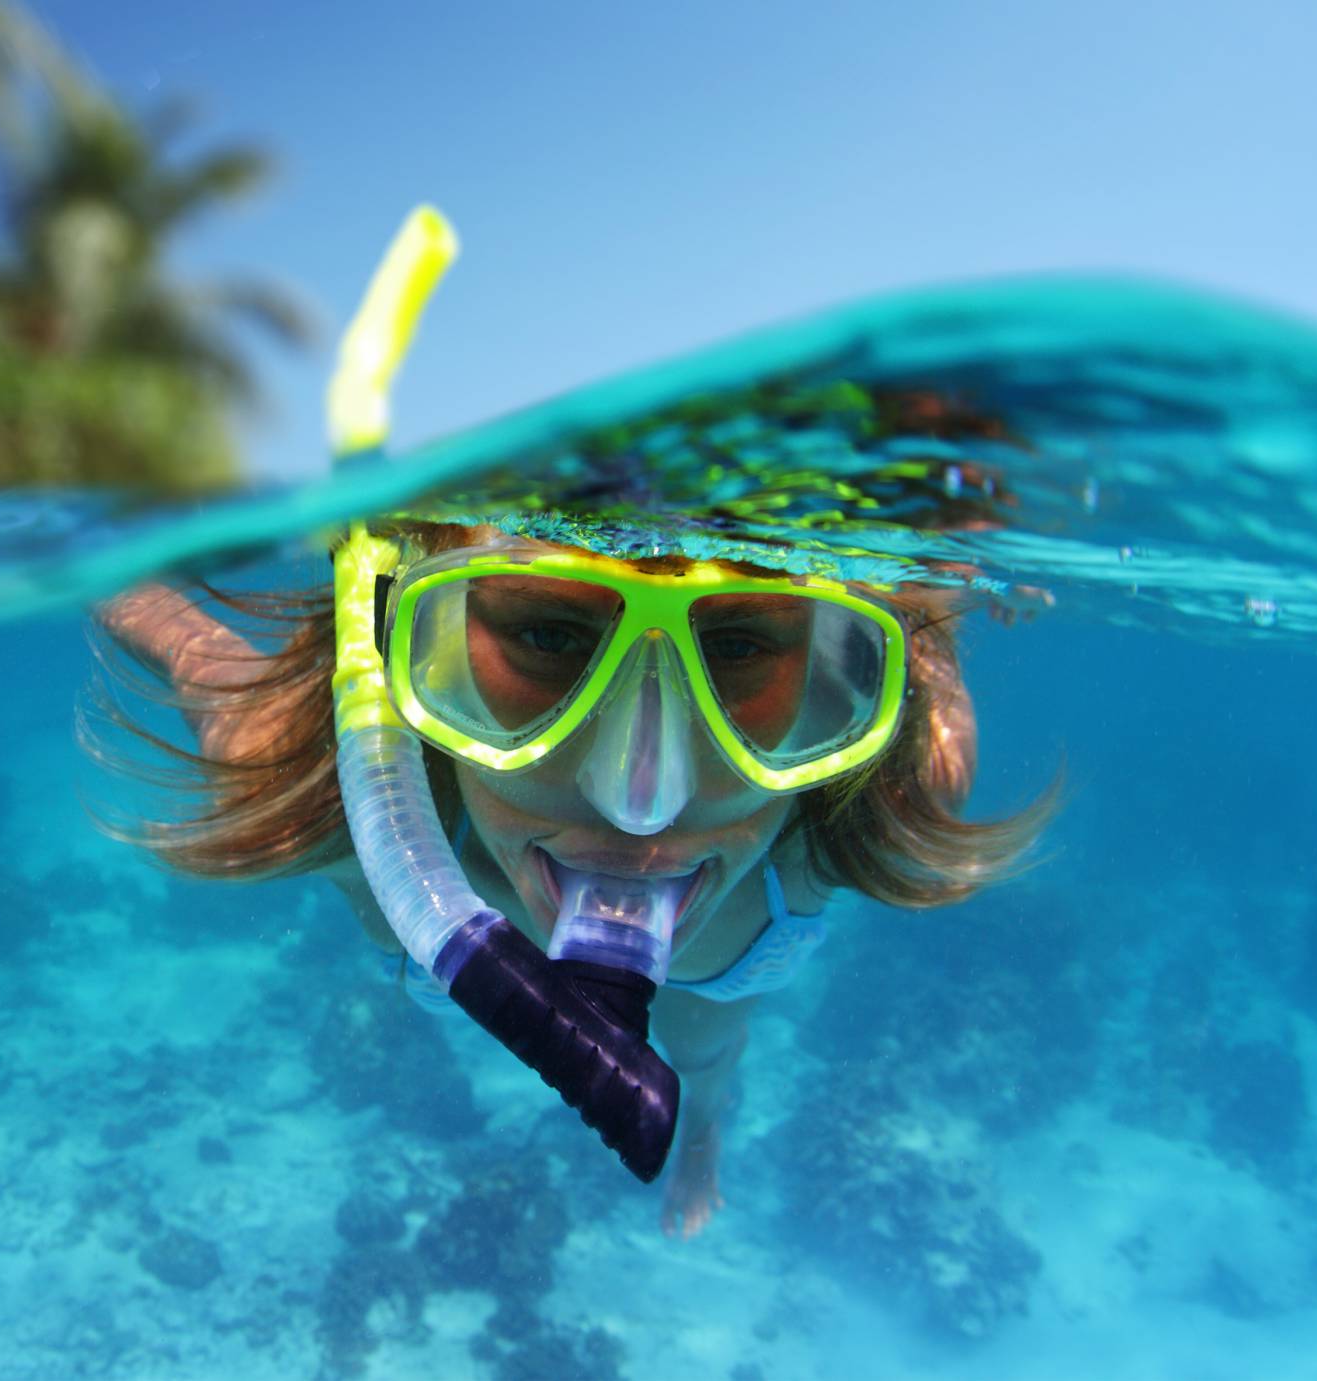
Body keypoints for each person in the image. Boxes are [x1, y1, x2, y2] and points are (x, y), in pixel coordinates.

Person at [87, 209, 1051, 1239]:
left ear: (841, 678)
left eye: (735, 650)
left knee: (708, 1048)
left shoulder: (891, 783)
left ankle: (707, 1133)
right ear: (395, 644)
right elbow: (172, 629)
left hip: (721, 967)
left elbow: (918, 617)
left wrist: (932, 576)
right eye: (549, 635)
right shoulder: (304, 759)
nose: (640, 800)